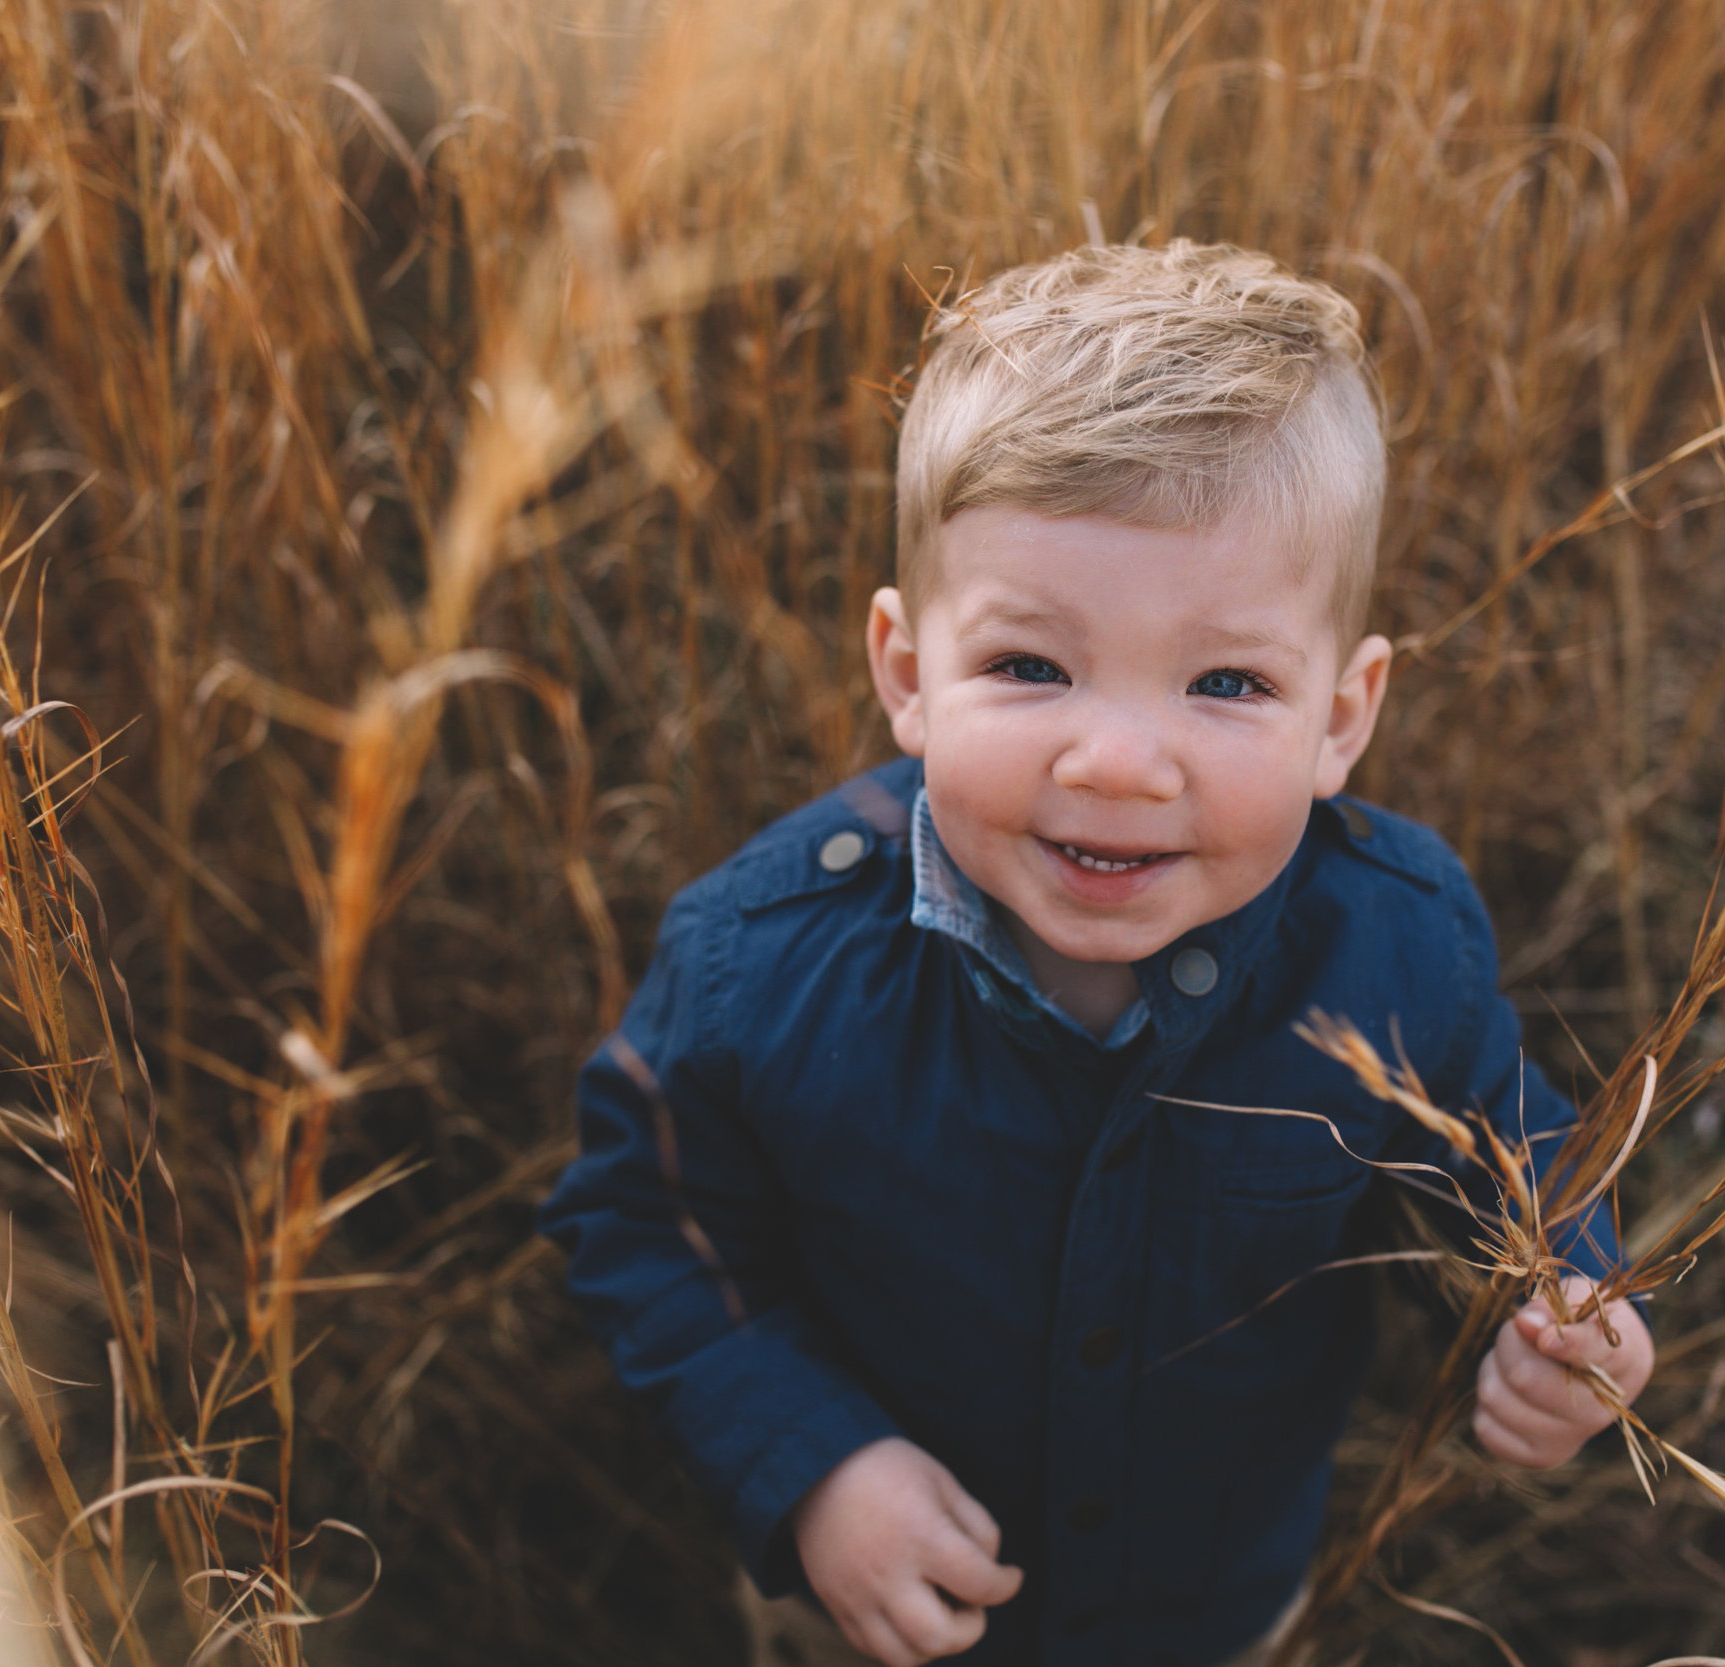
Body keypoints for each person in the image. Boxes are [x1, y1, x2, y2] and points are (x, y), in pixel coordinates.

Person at [539, 241, 1654, 1667]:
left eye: (1228, 683)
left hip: (1219, 1601)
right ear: (906, 673)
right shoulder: (762, 960)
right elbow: (644, 1219)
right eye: (1030, 666)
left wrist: (1570, 1295)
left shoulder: (1392, 939)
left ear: (1342, 714)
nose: (1120, 762)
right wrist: (810, 1464)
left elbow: (1515, 1145)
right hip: (876, 1602)